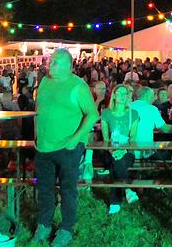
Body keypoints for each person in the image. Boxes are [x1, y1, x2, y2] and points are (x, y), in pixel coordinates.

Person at [32, 49, 99, 247]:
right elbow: (39, 110)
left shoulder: (78, 86)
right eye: (50, 62)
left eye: (55, 63)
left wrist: (75, 139)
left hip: (67, 147)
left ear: (69, 66)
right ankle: (44, 224)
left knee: (68, 189)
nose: (50, 65)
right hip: (43, 147)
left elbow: (92, 114)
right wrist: (36, 136)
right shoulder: (44, 82)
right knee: (44, 189)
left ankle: (66, 228)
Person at [100, 84, 139, 214]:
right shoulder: (106, 113)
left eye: (125, 94)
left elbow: (132, 138)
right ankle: (127, 189)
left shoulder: (133, 114)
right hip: (109, 151)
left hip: (127, 151)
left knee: (116, 164)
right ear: (114, 95)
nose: (123, 96)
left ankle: (115, 202)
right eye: (120, 93)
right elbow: (106, 139)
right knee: (115, 160)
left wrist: (123, 150)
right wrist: (112, 150)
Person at [130, 86, 172, 159]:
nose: (154, 99)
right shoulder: (152, 109)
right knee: (170, 150)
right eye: (153, 96)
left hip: (128, 150)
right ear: (147, 96)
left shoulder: (129, 106)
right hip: (145, 151)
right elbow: (165, 129)